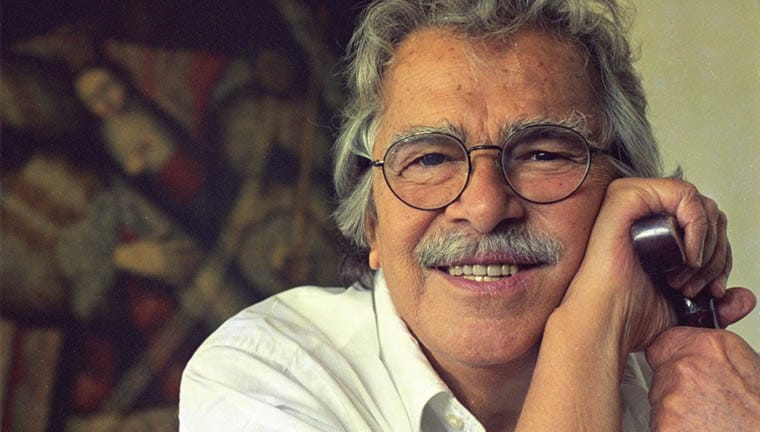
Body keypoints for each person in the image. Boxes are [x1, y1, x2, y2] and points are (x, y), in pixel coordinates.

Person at [179, 1, 760, 430]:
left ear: (624, 195)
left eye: (542, 154)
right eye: (430, 159)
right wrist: (590, 331)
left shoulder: (701, 394)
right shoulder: (265, 373)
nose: (483, 208)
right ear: (373, 221)